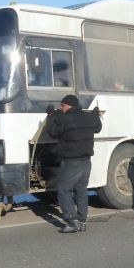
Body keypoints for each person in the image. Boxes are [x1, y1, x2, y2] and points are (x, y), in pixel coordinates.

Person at [45, 94, 102, 233]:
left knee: (64, 191)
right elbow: (98, 127)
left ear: (70, 106)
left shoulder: (64, 119)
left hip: (71, 162)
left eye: (62, 105)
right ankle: (82, 221)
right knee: (81, 190)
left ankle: (71, 221)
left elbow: (52, 132)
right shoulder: (88, 117)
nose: (61, 108)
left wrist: (51, 115)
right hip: (86, 162)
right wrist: (95, 114)